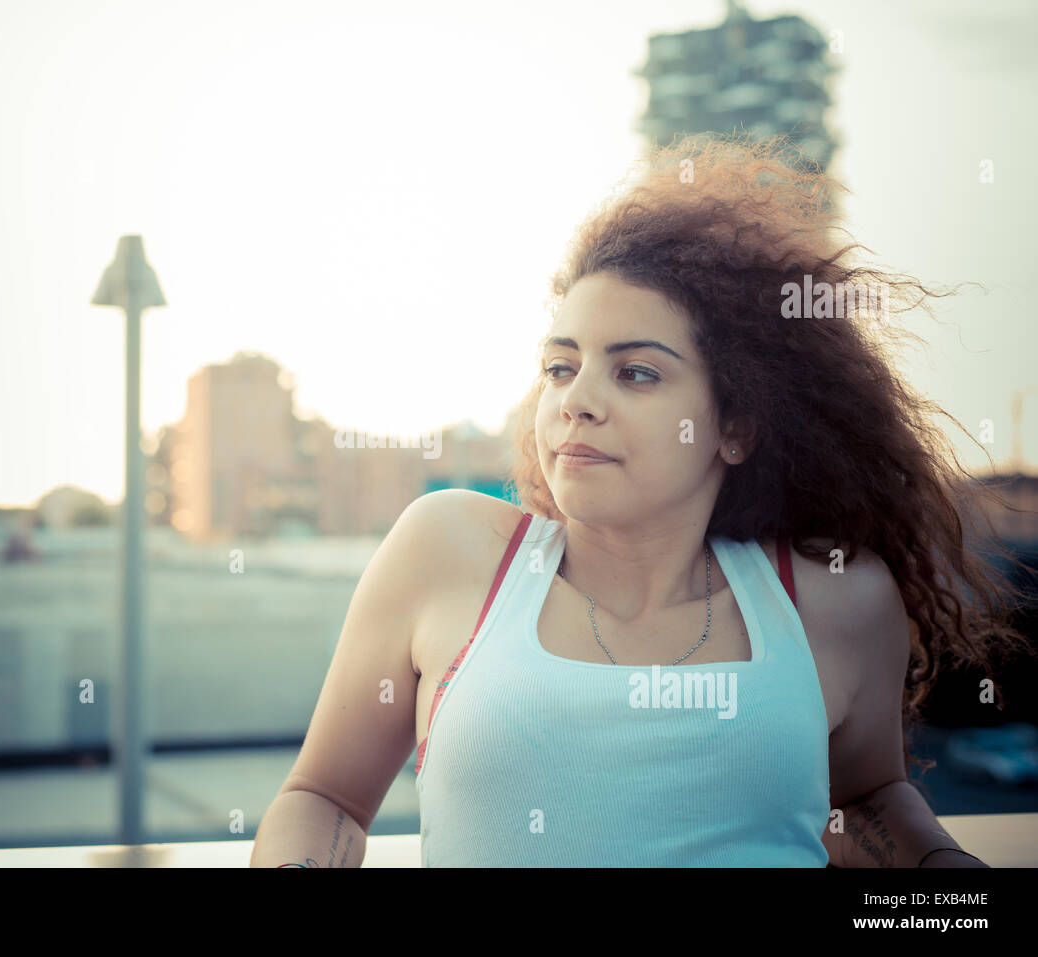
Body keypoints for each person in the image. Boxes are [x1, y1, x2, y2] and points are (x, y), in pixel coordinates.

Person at [249, 132, 1033, 867]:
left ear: (736, 426)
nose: (576, 401)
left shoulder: (836, 599)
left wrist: (945, 876)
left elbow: (863, 799)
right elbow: (325, 797)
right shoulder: (445, 550)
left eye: (636, 373)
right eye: (562, 367)